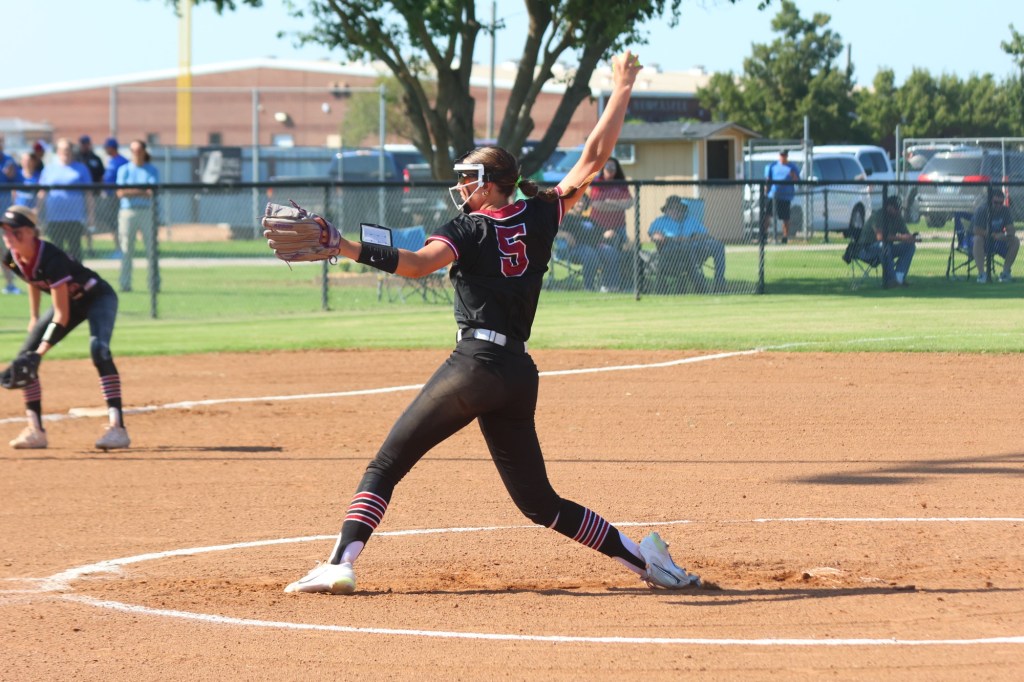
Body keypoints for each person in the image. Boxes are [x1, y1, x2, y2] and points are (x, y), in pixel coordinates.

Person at [272, 51, 701, 595]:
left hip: (474, 365)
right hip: (517, 372)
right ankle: (645, 561)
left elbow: (418, 264)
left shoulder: (470, 227)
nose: (462, 188)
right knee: (540, 504)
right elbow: (595, 156)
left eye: (470, 180)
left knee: (387, 462)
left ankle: (340, 561)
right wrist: (623, 86)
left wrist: (345, 246)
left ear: (494, 183)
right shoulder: (543, 211)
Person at [0, 205, 130, 450]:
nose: (8, 236)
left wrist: (40, 353)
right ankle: (36, 431)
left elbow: (61, 315)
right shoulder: (11, 258)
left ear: (30, 232)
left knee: (98, 349)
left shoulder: (52, 259)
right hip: (68, 302)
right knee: (24, 358)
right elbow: (31, 279)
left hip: (96, 297)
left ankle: (118, 429)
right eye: (5, 230)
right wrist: (34, 316)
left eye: (14, 230)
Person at [647, 195, 726, 293]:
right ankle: (701, 286)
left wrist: (691, 238)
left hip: (695, 247)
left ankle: (719, 282)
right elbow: (654, 235)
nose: (676, 211)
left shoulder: (691, 220)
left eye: (678, 208)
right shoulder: (660, 221)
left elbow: (706, 235)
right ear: (666, 210)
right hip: (672, 251)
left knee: (718, 245)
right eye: (672, 208)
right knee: (687, 248)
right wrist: (672, 238)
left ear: (683, 209)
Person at [37, 138, 93, 261]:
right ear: (57, 151)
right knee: (56, 251)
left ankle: (77, 279)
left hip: (74, 218)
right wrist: (38, 213)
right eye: (62, 149)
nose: (65, 152)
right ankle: (59, 279)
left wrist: (90, 215)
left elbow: (88, 194)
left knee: (75, 251)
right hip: (54, 218)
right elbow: (42, 192)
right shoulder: (49, 169)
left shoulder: (81, 168)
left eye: (68, 149)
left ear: (72, 151)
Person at [115, 140, 159, 292]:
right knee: (126, 249)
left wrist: (131, 191)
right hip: (128, 212)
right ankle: (125, 284)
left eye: (139, 150)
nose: (136, 153)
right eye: (133, 150)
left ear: (144, 151)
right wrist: (141, 191)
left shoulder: (151, 170)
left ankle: (154, 284)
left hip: (147, 211)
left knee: (151, 249)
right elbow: (120, 192)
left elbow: (151, 192)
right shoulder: (124, 170)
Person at [585, 156, 634, 291]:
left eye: (614, 168)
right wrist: (618, 204)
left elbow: (629, 203)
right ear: (603, 169)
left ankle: (625, 284)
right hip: (598, 228)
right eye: (608, 167)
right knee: (609, 253)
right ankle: (608, 285)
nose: (611, 170)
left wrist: (608, 202)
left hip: (619, 227)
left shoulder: (621, 184)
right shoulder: (597, 183)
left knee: (628, 253)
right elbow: (597, 205)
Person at [856, 195, 917, 288]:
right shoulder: (878, 216)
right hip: (867, 250)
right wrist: (901, 238)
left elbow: (906, 234)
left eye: (899, 208)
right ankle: (891, 281)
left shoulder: (897, 217)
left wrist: (911, 238)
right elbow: (880, 237)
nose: (898, 211)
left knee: (910, 247)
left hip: (886, 249)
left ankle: (899, 279)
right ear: (888, 207)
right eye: (896, 208)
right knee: (883, 246)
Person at [971, 189, 1019, 283]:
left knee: (1015, 240)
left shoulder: (1005, 210)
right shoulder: (982, 210)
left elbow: (1011, 230)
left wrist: (1004, 235)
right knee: (977, 239)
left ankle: (1005, 273)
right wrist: (993, 235)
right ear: (990, 201)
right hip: (981, 240)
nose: (998, 205)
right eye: (996, 202)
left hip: (997, 241)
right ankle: (982, 274)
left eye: (1001, 203)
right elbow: (976, 230)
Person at [555, 200, 603, 290]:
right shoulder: (564, 217)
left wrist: (608, 233)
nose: (581, 204)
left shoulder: (588, 219)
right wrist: (564, 234)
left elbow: (600, 232)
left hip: (593, 247)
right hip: (572, 250)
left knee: (609, 251)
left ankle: (610, 286)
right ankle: (589, 287)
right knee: (589, 253)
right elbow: (549, 231)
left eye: (583, 202)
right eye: (578, 201)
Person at [764, 149, 800, 243]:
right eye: (781, 155)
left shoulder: (792, 167)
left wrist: (793, 176)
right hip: (773, 195)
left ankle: (785, 237)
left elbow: (797, 181)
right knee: (767, 215)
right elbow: (768, 180)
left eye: (785, 155)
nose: (783, 157)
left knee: (785, 218)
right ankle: (764, 236)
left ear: (787, 156)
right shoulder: (773, 166)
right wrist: (766, 190)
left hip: (785, 196)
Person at [99, 138, 128, 240]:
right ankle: (117, 246)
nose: (105, 150)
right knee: (111, 221)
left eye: (107, 148)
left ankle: (120, 246)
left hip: (117, 197)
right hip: (108, 196)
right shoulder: (110, 160)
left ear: (112, 148)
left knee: (117, 221)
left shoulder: (122, 161)